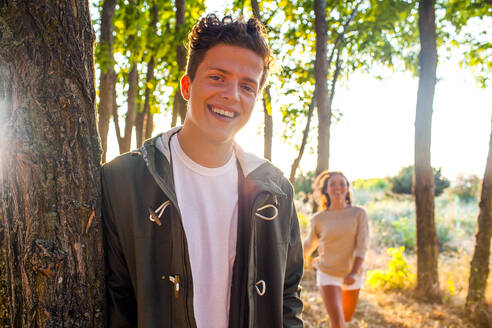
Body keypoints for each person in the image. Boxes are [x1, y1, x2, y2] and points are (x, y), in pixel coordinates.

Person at [101, 14, 303, 328]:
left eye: (247, 87)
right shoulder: (122, 181)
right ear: (187, 85)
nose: (232, 95)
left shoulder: (276, 190)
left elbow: (288, 297)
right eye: (218, 77)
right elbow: (115, 302)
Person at [303, 171, 369, 328]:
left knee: (346, 317)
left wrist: (353, 272)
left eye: (341, 183)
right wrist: (290, 261)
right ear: (326, 189)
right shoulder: (318, 219)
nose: (337, 187)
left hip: (352, 273)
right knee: (338, 321)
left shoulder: (358, 214)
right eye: (332, 184)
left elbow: (362, 245)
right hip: (327, 272)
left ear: (347, 188)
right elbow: (308, 245)